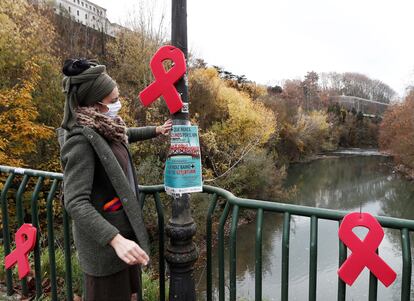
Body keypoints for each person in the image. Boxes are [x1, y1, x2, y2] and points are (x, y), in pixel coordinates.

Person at [59, 58, 172, 301]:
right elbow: (75, 202)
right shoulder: (80, 141)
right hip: (106, 249)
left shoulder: (105, 127)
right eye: (113, 101)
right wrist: (115, 240)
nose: (118, 105)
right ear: (95, 104)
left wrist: (156, 130)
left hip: (124, 241)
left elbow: (123, 134)